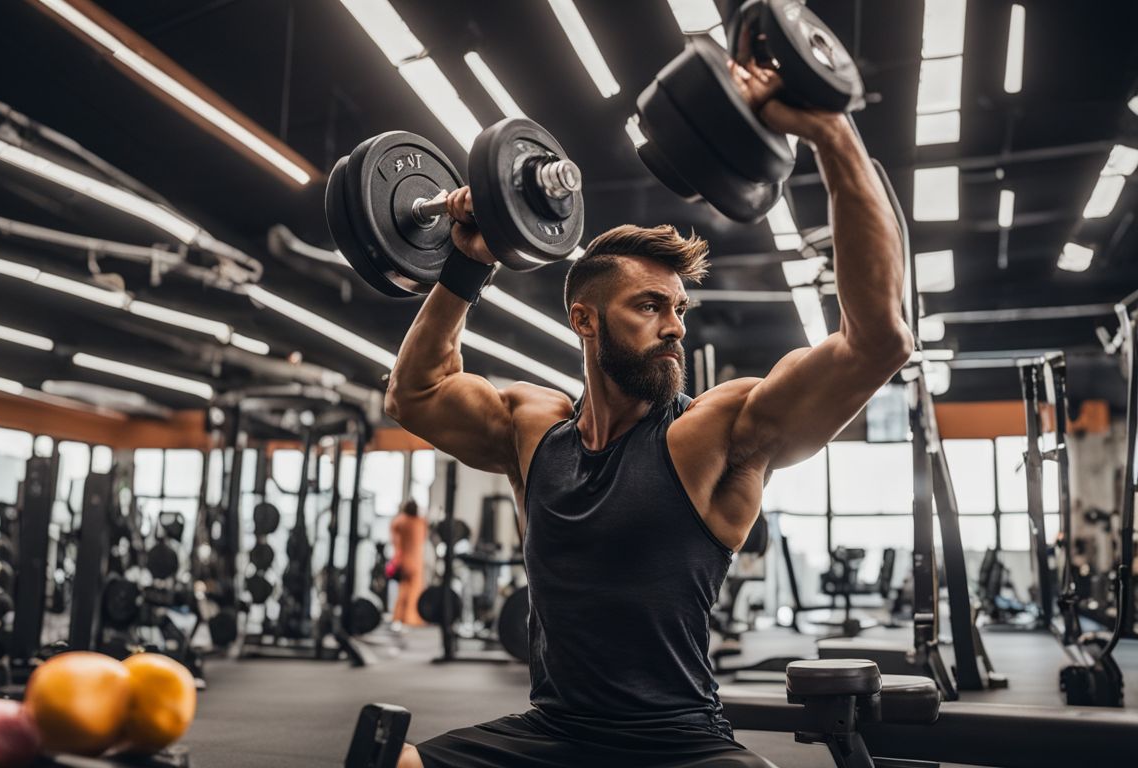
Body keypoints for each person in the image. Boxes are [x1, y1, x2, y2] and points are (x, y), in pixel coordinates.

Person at [382, 59, 913, 768]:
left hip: (681, 747)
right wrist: (466, 267)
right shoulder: (532, 430)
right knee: (392, 761)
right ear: (585, 319)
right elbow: (413, 394)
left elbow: (876, 343)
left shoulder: (716, 433)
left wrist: (832, 135)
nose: (675, 327)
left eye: (679, 309)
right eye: (650, 306)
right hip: (555, 735)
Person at [388, 499, 429, 629]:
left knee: (403, 590)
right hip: (416, 561)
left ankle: (399, 617)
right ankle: (412, 619)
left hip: (404, 560)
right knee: (415, 592)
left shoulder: (399, 521)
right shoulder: (421, 522)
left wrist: (397, 558)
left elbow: (395, 541)